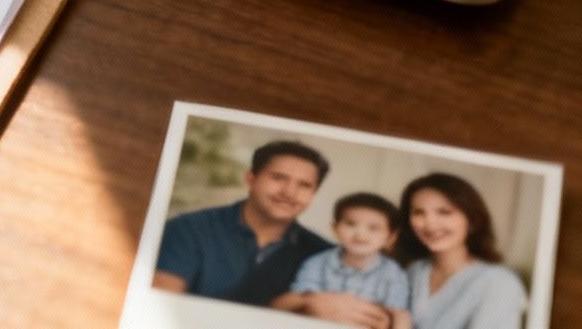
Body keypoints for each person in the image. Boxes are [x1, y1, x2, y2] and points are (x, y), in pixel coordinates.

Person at [152, 139, 333, 305]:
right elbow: (159, 308)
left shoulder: (325, 255)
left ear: (313, 194)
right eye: (278, 178)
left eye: (304, 185)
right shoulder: (188, 229)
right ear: (251, 178)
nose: (289, 193)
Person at [398, 174, 528, 329]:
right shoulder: (415, 271)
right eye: (419, 213)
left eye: (444, 212)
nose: (430, 224)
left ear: (472, 220)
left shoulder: (500, 282)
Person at [273, 193, 412, 329]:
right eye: (351, 224)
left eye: (373, 228)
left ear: (390, 237)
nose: (360, 234)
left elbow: (399, 315)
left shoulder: (393, 274)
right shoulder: (317, 263)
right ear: (335, 228)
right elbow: (295, 300)